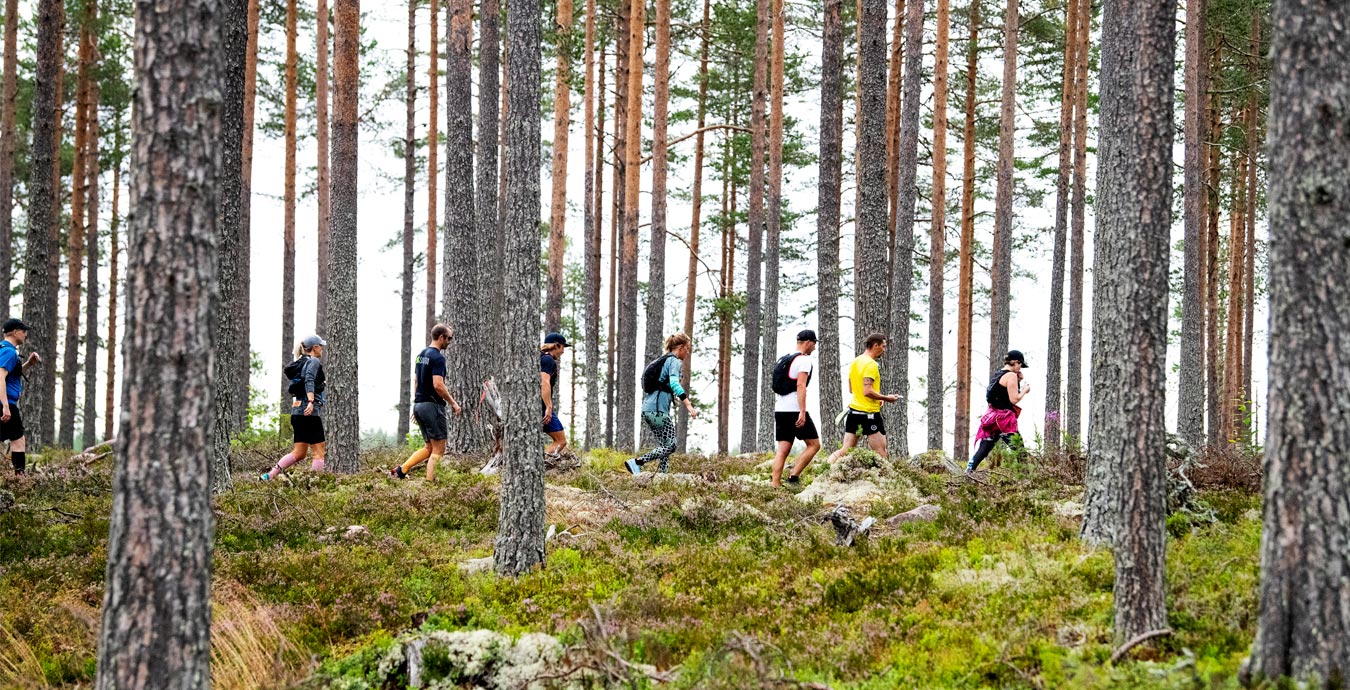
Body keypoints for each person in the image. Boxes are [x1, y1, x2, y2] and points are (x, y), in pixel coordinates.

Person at [392, 324, 462, 481]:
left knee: (429, 447)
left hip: (420, 405)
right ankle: (430, 486)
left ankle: (401, 470)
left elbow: (417, 381)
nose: (450, 342)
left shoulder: (421, 355)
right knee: (439, 449)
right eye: (449, 338)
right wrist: (453, 403)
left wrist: (417, 404)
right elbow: (438, 384)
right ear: (441, 337)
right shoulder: (438, 358)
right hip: (432, 406)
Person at [624, 333, 698, 475]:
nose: (688, 352)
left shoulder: (663, 360)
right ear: (681, 347)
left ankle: (663, 476)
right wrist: (688, 404)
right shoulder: (674, 361)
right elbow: (675, 384)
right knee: (671, 445)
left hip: (649, 409)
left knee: (665, 445)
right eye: (687, 348)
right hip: (657, 411)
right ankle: (637, 462)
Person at [825, 333, 901, 464]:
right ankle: (884, 482)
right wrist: (886, 398)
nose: (884, 349)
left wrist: (877, 398)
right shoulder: (871, 365)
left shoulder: (856, 361)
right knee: (881, 452)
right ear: (875, 345)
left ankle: (825, 469)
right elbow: (867, 391)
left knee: (845, 450)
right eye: (883, 346)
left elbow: (852, 388)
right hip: (869, 414)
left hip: (854, 412)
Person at [262, 335, 328, 480]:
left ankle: (269, 476)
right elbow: (309, 379)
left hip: (297, 412)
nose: (322, 349)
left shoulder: (300, 363)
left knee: (299, 453)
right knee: (319, 450)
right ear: (315, 347)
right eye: (321, 346)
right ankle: (316, 484)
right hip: (308, 411)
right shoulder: (314, 362)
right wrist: (311, 401)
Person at [771, 330, 822, 487]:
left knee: (782, 451)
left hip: (780, 409)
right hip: (794, 410)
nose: (814, 347)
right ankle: (793, 477)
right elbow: (801, 385)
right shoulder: (804, 360)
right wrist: (802, 411)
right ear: (808, 342)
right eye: (814, 343)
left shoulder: (785, 358)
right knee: (814, 445)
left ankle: (775, 484)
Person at [966, 350, 1031, 473]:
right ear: (1016, 362)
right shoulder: (1011, 375)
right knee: (1019, 450)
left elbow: (1001, 394)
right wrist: (1025, 390)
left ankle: (969, 472)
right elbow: (1014, 399)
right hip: (1004, 420)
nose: (1020, 368)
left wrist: (1018, 381)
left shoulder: (998, 374)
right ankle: (1026, 479)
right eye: (1020, 365)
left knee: (984, 448)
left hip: (991, 419)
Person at [0, 319, 41, 475]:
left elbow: (11, 373)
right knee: (18, 440)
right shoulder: (9, 351)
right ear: (16, 332)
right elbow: (0, 376)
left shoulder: (4, 349)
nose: (26, 335)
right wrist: (5, 406)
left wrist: (29, 364)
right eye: (24, 332)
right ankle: (20, 479)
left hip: (4, 402)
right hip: (5, 403)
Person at [540, 332, 570, 460]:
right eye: (563, 347)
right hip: (542, 407)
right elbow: (544, 382)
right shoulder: (548, 360)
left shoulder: (540, 358)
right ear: (556, 346)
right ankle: (540, 463)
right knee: (561, 441)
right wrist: (548, 407)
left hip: (537, 406)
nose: (563, 351)